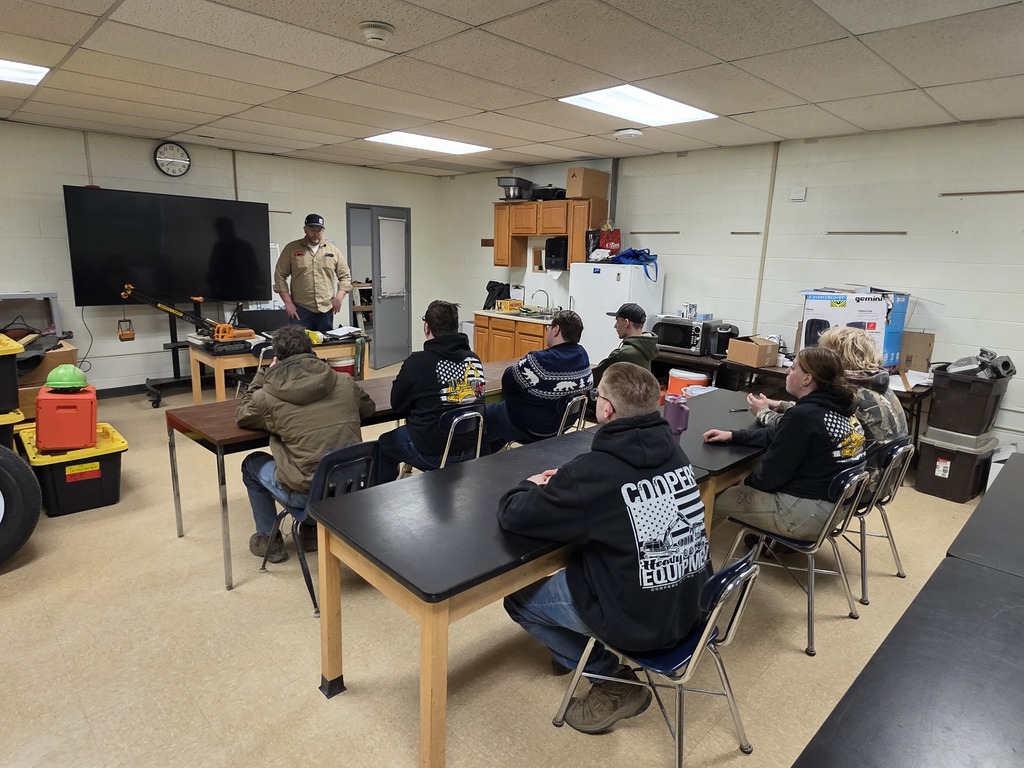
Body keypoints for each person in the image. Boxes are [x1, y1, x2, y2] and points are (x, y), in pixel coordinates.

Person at [499, 363, 711, 735]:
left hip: (641, 622)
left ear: (606, 409)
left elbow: (515, 515)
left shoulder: (593, 472)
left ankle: (610, 678)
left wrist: (530, 484)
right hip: (691, 608)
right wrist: (573, 484)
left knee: (518, 601)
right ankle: (573, 653)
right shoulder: (677, 456)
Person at [236, 324, 375, 563]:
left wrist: (262, 375)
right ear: (312, 351)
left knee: (251, 464)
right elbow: (368, 408)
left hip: (307, 493)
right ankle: (311, 531)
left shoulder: (267, 396)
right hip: (351, 486)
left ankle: (269, 539)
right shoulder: (343, 381)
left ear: (277, 358)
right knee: (322, 459)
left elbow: (243, 414)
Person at [704, 347, 866, 541]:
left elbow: (772, 475)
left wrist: (745, 482)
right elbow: (780, 434)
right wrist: (733, 435)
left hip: (805, 515)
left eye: (794, 367)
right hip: (836, 509)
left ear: (807, 379)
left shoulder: (804, 416)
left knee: (708, 498)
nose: (788, 371)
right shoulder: (840, 408)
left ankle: (690, 558)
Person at [747, 326, 907, 488]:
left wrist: (763, 413)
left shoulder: (851, 392)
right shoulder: (877, 384)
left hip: (854, 485)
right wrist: (783, 405)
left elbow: (797, 427)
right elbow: (820, 416)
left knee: (776, 460)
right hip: (882, 479)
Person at [376, 300, 486, 484]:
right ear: (456, 327)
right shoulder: (473, 359)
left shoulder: (417, 362)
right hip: (470, 448)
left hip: (432, 451)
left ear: (427, 327)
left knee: (384, 445)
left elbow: (398, 404)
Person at [484, 309, 593, 453]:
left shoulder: (539, 361)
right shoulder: (583, 356)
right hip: (561, 425)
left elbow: (508, 382)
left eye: (549, 327)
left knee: (481, 419)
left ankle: (475, 463)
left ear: (556, 330)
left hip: (530, 427)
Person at [274, 213, 352, 333]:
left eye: (319, 230)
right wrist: (288, 303)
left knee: (324, 347)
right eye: (312, 229)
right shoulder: (291, 249)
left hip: (326, 310)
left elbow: (345, 276)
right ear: (305, 229)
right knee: (297, 346)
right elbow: (280, 275)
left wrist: (339, 297)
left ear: (323, 230)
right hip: (300, 309)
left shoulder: (333, 250)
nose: (316, 233)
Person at [591, 302, 658, 385]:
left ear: (626, 322)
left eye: (617, 321)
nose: (615, 326)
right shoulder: (647, 347)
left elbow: (594, 377)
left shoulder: (624, 354)